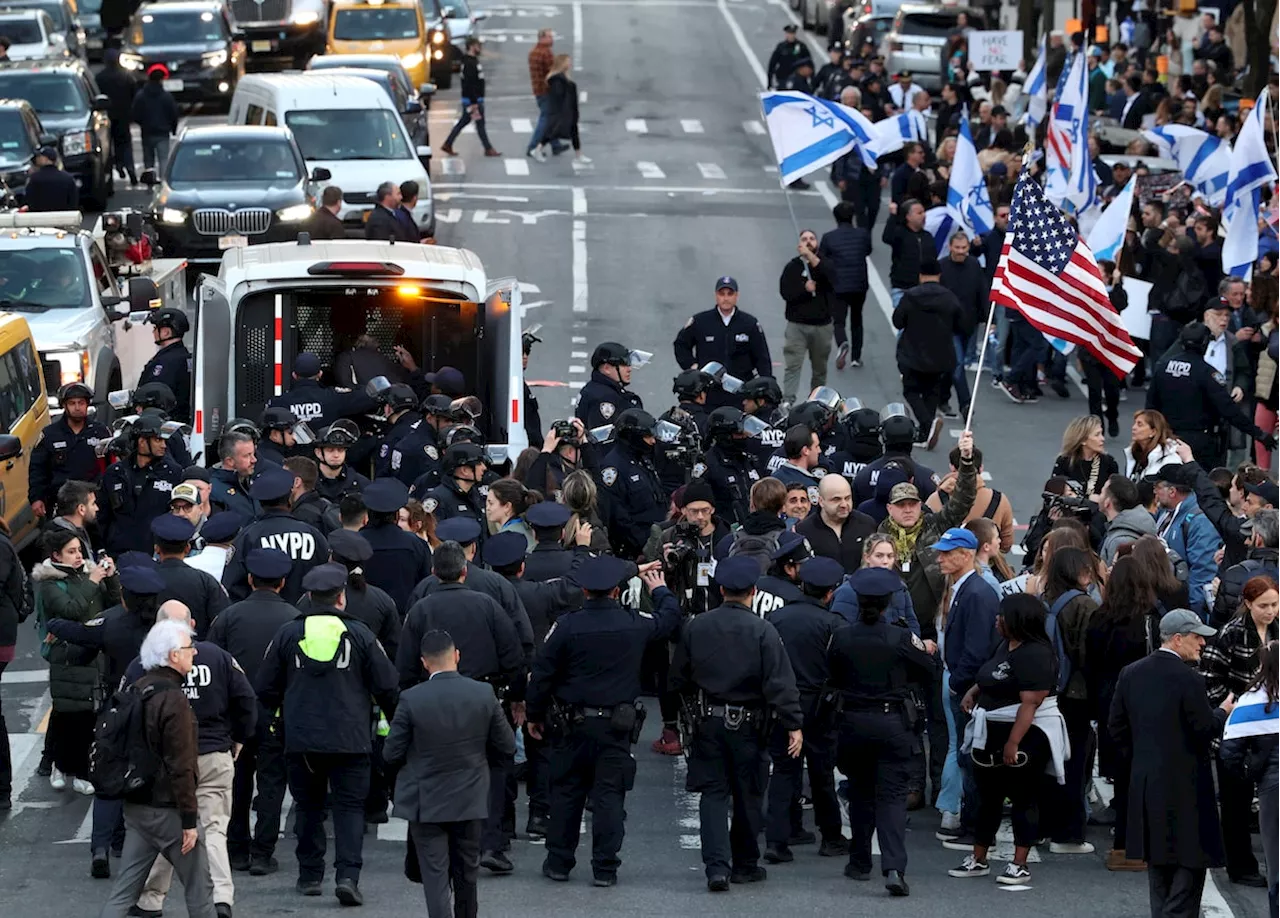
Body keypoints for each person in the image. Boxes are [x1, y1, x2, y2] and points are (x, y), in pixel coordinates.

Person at [526, 559, 680, 885]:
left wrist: (535, 714)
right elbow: (669, 620)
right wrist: (661, 590)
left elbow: (542, 673)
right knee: (609, 797)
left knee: (567, 792)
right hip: (615, 726)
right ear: (616, 591)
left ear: (584, 591)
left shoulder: (568, 625)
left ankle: (558, 862)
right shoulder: (633, 623)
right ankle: (605, 868)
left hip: (571, 724)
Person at [255, 562, 399, 906]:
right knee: (349, 808)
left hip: (301, 739)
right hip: (351, 738)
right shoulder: (361, 635)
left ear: (308, 597)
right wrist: (396, 730)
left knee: (308, 807)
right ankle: (348, 875)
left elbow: (265, 686)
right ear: (341, 598)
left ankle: (309, 875)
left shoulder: (288, 634)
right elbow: (388, 686)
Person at [670, 556, 803, 892]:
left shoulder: (696, 626)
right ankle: (745, 863)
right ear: (753, 592)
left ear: (721, 589)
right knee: (748, 794)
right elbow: (779, 683)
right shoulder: (764, 631)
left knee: (713, 793)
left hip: (707, 720)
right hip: (750, 723)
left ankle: (716, 867)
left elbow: (678, 678)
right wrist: (793, 722)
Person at [396, 539, 524, 872]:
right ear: (465, 571)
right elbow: (513, 653)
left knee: (432, 767)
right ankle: (491, 843)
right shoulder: (487, 604)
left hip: (432, 699)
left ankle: (440, 837)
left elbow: (406, 664)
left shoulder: (421, 608)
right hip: (484, 696)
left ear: (434, 572)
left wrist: (408, 698)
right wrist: (517, 696)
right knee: (495, 766)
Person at [124, 601, 256, 918]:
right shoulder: (218, 656)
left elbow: (125, 712)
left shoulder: (143, 665)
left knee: (164, 832)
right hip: (213, 754)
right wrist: (238, 739)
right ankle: (220, 899)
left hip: (165, 761)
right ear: (191, 624)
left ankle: (151, 900)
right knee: (212, 830)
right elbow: (246, 700)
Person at [1109, 609, 1234, 918]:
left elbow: (1116, 727)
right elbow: (1203, 728)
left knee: (1159, 865)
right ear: (1178, 639)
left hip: (1147, 780)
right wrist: (1223, 711)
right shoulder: (1188, 677)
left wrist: (1141, 758)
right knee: (1190, 867)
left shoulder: (1131, 673)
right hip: (1187, 783)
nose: (1202, 643)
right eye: (1196, 637)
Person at [384, 629, 515, 918]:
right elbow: (506, 745)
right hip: (469, 797)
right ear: (456, 656)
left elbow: (391, 752)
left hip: (426, 800)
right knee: (467, 873)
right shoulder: (483, 693)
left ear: (424, 662)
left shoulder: (411, 699)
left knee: (435, 877)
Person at [96, 620, 217, 918]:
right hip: (169, 811)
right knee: (200, 889)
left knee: (124, 891)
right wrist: (189, 819)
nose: (195, 654)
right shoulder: (174, 700)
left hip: (137, 807)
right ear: (173, 655)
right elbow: (182, 763)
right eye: (190, 648)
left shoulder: (139, 689)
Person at [831, 565, 939, 894]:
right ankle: (893, 868)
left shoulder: (843, 636)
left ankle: (860, 859)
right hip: (893, 721)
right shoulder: (901, 637)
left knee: (861, 791)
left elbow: (832, 674)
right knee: (891, 796)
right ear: (889, 601)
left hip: (852, 721)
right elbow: (929, 670)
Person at [948, 594, 1069, 886]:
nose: (997, 620)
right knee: (985, 797)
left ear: (1018, 620)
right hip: (991, 730)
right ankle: (978, 858)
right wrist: (974, 691)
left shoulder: (1037, 653)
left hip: (1024, 734)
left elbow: (1031, 703)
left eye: (1002, 616)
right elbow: (993, 672)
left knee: (1022, 798)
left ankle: (1019, 862)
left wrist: (1013, 743)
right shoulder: (1005, 644)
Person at [207, 549, 296, 877]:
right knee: (272, 781)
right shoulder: (293, 617)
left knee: (236, 781)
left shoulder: (229, 617)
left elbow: (214, 663)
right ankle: (263, 851)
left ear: (249, 579)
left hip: (235, 714)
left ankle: (237, 848)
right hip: (277, 712)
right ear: (283, 582)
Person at [763, 557, 849, 864]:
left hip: (782, 703)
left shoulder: (776, 618)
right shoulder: (833, 623)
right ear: (829, 593)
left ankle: (777, 839)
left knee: (784, 771)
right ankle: (830, 836)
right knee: (821, 773)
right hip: (820, 706)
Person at [1199, 575, 1279, 887]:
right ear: (1247, 604)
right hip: (1241, 727)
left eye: (1274, 604)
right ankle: (1240, 865)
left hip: (1273, 725)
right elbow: (1210, 677)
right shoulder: (1230, 634)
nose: (1270, 611)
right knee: (1236, 802)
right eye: (1263, 606)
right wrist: (1231, 705)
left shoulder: (1277, 630)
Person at [34, 528, 120, 796]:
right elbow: (71, 610)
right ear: (56, 555)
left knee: (88, 712)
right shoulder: (50, 583)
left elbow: (115, 602)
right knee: (67, 710)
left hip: (94, 652)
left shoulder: (89, 574)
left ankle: (77, 768)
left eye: (79, 551)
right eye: (71, 552)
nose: (78, 557)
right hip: (66, 654)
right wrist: (93, 580)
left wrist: (111, 576)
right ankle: (64, 764)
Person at [936, 523, 1000, 850]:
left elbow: (975, 649)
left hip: (967, 688)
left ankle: (975, 828)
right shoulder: (966, 588)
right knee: (965, 755)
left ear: (966, 555)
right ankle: (970, 822)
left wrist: (957, 684)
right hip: (963, 683)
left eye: (947, 554)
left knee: (970, 756)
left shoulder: (977, 592)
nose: (940, 559)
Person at [1147, 322, 1278, 471]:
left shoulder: (1162, 367)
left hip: (1166, 438)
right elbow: (1229, 410)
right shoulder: (1207, 374)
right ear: (1205, 343)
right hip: (1200, 443)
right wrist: (1259, 433)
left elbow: (1150, 408)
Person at [1219, 642, 1280, 909]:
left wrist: (1251, 773)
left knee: (1276, 862)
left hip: (1272, 787)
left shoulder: (1251, 700)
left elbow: (1230, 752)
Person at [221, 467, 330, 604]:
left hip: (261, 618)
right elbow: (328, 576)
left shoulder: (248, 537)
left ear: (260, 501)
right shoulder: (313, 534)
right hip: (309, 618)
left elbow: (232, 587)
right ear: (289, 496)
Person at [893, 255, 967, 450]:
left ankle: (927, 424)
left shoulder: (910, 296)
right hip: (941, 355)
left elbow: (897, 321)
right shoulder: (949, 297)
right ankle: (926, 433)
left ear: (920, 275)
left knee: (910, 390)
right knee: (931, 391)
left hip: (913, 353)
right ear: (939, 275)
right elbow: (962, 325)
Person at [673, 277, 773, 410]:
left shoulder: (750, 324)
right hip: (708, 392)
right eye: (722, 294)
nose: (726, 298)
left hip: (740, 393)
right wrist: (692, 366)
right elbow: (680, 344)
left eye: (730, 294)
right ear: (716, 295)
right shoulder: (701, 321)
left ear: (737, 296)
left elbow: (762, 358)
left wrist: (766, 387)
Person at [97, 415, 184, 557]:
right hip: (119, 555)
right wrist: (102, 549)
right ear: (142, 441)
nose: (164, 445)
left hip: (156, 555)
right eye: (158, 440)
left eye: (164, 440)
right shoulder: (114, 473)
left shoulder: (173, 473)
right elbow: (102, 515)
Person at [29, 382, 113, 518]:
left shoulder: (101, 432)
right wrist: (36, 498)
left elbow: (112, 466)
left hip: (94, 502)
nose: (77, 407)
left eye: (81, 403)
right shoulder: (50, 434)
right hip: (60, 503)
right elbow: (38, 469)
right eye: (72, 403)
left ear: (87, 404)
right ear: (64, 406)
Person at [1152, 463, 1221, 620]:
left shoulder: (1200, 521)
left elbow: (1202, 573)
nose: (1154, 491)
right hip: (1165, 602)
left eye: (1158, 486)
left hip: (1183, 610)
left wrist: (1192, 617)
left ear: (1172, 491)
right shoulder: (1165, 512)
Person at [360, 478, 432, 616]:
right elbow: (425, 585)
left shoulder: (355, 543)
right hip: (405, 619)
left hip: (365, 619)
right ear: (396, 514)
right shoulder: (416, 544)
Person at [779, 229, 835, 405]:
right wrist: (804, 290)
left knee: (819, 368)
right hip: (797, 326)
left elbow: (831, 277)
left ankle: (816, 401)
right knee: (793, 365)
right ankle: (788, 400)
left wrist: (811, 257)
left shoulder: (825, 263)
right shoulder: (792, 267)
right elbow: (786, 292)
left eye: (812, 238)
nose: (809, 241)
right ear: (799, 244)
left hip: (822, 326)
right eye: (804, 239)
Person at [150, 515, 228, 640]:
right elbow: (222, 622)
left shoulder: (146, 580)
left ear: (157, 549)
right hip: (196, 652)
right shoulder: (205, 581)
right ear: (187, 548)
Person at [819, 201, 873, 369]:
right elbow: (867, 250)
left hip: (839, 284)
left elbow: (822, 259)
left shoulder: (829, 237)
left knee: (839, 321)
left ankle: (842, 342)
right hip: (859, 283)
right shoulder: (863, 234)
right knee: (857, 319)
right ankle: (856, 357)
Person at [830, 534, 920, 633]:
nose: (885, 561)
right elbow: (841, 631)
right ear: (867, 557)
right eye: (879, 556)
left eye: (890, 556)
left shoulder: (900, 588)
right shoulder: (847, 590)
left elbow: (912, 622)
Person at [266, 352, 377, 432]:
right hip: (325, 454)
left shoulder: (279, 403)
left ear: (294, 375)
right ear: (320, 374)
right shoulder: (333, 397)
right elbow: (365, 398)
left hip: (290, 459)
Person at [1213, 510, 1280, 627]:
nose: (1246, 541)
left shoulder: (1235, 575)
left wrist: (1221, 591)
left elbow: (1218, 624)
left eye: (1250, 536)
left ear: (1258, 539)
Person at [795, 474, 876, 571]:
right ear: (821, 501)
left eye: (847, 498)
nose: (844, 504)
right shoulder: (804, 530)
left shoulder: (866, 524)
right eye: (836, 499)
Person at [440, 37, 499, 157]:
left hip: (474, 99)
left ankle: (448, 143)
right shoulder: (469, 63)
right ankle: (488, 149)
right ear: (472, 46)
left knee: (467, 122)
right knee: (479, 123)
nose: (480, 48)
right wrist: (474, 101)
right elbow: (469, 84)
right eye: (478, 46)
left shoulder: (471, 61)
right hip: (473, 100)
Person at [96, 48, 138, 186]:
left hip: (106, 115)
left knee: (108, 145)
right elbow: (134, 93)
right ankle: (129, 167)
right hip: (123, 114)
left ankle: (117, 166)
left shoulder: (100, 77)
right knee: (125, 142)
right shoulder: (126, 76)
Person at [1052, 415, 1120, 498]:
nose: (1102, 438)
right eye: (1097, 435)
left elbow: (1116, 496)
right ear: (1083, 440)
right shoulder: (1064, 461)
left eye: (1101, 434)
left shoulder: (1108, 462)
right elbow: (1054, 492)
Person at [132, 68, 179, 182]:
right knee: (163, 159)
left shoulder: (141, 95)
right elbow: (173, 113)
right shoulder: (166, 96)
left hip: (147, 132)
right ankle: (163, 182)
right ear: (161, 80)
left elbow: (135, 113)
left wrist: (142, 123)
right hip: (162, 132)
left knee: (148, 160)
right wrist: (173, 128)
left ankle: (150, 181)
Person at [1099, 473, 1157, 564]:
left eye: (1102, 492)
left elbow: (1118, 577)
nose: (1099, 496)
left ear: (1107, 502)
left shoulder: (1120, 542)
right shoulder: (1128, 527)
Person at [524, 28, 555, 161]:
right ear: (542, 38)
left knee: (551, 117)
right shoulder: (546, 53)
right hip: (547, 90)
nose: (552, 39)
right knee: (546, 118)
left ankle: (556, 144)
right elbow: (552, 72)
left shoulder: (533, 52)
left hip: (537, 89)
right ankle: (533, 146)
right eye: (549, 37)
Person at [1125, 409, 1180, 480]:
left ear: (1153, 432)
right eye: (1135, 423)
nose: (1133, 427)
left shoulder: (1170, 459)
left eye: (1140, 424)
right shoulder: (1133, 453)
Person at [25, 144, 79, 211]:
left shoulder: (34, 179)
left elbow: (29, 201)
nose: (36, 159)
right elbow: (73, 202)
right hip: (64, 218)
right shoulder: (67, 178)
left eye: (39, 157)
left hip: (41, 219)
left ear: (45, 159)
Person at [767, 24, 807, 88]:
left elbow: (809, 62)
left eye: (793, 33)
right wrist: (769, 82)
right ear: (786, 34)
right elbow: (772, 64)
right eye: (789, 33)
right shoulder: (781, 47)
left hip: (798, 79)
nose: (791, 36)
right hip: (783, 78)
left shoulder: (801, 47)